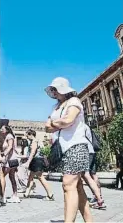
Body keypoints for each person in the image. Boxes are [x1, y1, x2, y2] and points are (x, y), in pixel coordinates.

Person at [45, 77, 96, 222]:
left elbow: (68, 120)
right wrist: (58, 123)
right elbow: (46, 127)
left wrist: (55, 123)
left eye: (55, 89)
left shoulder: (74, 101)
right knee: (77, 187)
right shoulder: (56, 107)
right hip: (63, 148)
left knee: (68, 184)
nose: (53, 92)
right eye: (52, 89)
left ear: (63, 89)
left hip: (77, 146)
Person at [23, 129, 54, 200]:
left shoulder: (34, 142)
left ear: (31, 134)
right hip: (35, 161)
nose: (26, 137)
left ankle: (50, 194)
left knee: (40, 177)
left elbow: (33, 153)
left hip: (36, 161)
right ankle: (26, 193)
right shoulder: (34, 141)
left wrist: (28, 162)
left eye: (27, 135)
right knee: (31, 177)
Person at [83, 124, 106, 209]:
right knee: (93, 174)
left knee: (85, 174)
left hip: (86, 152)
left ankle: (97, 197)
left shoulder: (80, 126)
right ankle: (98, 195)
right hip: (91, 151)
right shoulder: (86, 126)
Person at [0, 125, 20, 204]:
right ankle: (15, 195)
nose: (1, 130)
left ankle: (2, 195)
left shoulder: (9, 136)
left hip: (9, 160)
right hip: (12, 160)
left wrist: (3, 154)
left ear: (7, 130)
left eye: (2, 129)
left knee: (1, 176)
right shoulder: (8, 136)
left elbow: (10, 147)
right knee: (12, 177)